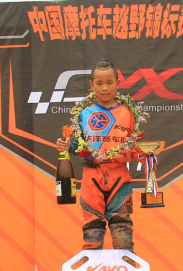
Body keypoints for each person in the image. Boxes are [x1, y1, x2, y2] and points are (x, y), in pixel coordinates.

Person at [55, 59, 138, 251]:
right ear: (92, 85)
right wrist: (67, 146)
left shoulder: (128, 113)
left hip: (120, 177)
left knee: (123, 235)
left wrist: (146, 157)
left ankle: (126, 269)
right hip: (91, 178)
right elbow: (79, 145)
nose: (105, 88)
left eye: (109, 82)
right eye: (99, 83)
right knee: (92, 235)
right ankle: (92, 269)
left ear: (118, 83)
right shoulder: (83, 113)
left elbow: (133, 146)